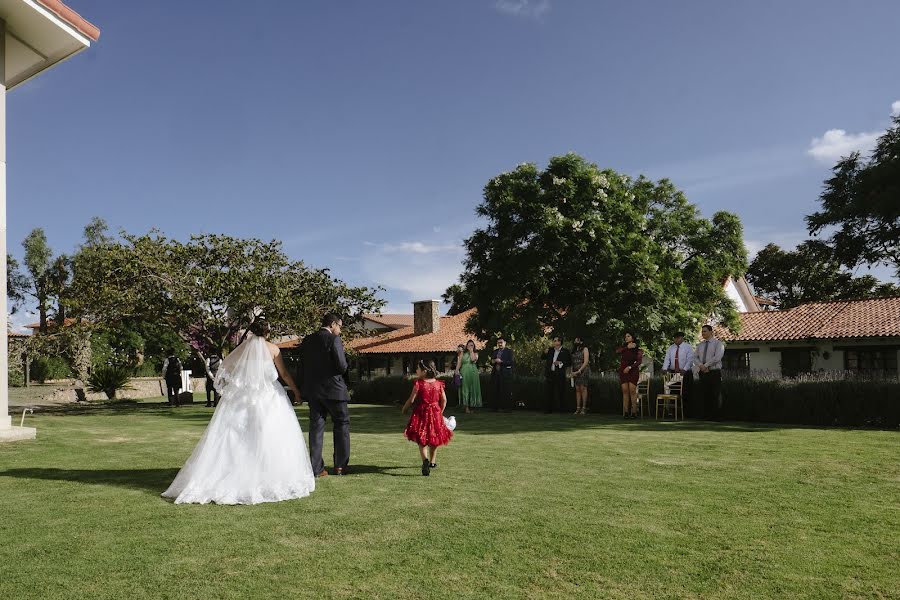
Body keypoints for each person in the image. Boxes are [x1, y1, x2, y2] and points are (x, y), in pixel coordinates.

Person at [161, 319, 315, 505]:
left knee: (239, 437)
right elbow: (284, 374)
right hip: (270, 397)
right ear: (267, 332)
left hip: (243, 398)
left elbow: (226, 365)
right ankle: (266, 476)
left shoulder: (242, 349)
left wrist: (238, 381)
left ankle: (237, 474)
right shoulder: (273, 349)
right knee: (269, 436)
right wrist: (296, 391)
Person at [300, 313, 351, 477]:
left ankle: (317, 469)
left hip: (314, 391)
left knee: (316, 429)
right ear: (333, 324)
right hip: (334, 390)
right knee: (342, 425)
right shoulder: (333, 340)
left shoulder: (307, 340)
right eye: (340, 326)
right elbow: (342, 366)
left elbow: (302, 366)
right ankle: (340, 466)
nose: (340, 330)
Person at [402, 360, 453, 476]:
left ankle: (425, 460)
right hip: (435, 412)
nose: (416, 371)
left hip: (421, 412)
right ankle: (432, 462)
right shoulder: (438, 384)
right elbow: (444, 400)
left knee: (422, 437)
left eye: (418, 369)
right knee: (434, 437)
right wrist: (440, 411)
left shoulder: (419, 384)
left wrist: (404, 409)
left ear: (424, 371)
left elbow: (411, 400)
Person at [695, 324, 725, 419]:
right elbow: (695, 357)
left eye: (705, 331)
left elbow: (717, 357)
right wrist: (701, 366)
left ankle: (716, 416)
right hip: (703, 372)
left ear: (711, 332)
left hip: (714, 372)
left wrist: (706, 365)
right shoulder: (700, 345)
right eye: (702, 331)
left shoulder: (718, 344)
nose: (703, 333)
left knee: (715, 394)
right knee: (703, 394)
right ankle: (704, 415)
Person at [661, 332, 694, 416]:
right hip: (674, 373)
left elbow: (690, 360)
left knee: (686, 393)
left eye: (678, 338)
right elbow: (667, 359)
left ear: (682, 338)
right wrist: (664, 368)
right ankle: (674, 412)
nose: (676, 339)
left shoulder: (688, 347)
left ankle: (687, 413)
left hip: (685, 373)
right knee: (674, 392)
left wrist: (684, 369)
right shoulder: (671, 348)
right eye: (675, 338)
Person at [616, 332, 643, 419]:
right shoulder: (623, 348)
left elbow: (639, 361)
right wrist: (626, 347)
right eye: (625, 336)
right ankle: (626, 412)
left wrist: (630, 367)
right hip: (623, 371)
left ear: (633, 338)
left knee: (632, 390)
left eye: (628, 336)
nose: (626, 338)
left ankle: (634, 412)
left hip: (633, 370)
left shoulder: (638, 349)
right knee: (625, 390)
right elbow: (617, 351)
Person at [541, 336, 571, 413]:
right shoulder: (550, 350)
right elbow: (542, 357)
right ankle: (548, 409)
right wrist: (544, 352)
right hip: (550, 373)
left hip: (560, 374)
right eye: (554, 341)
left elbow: (569, 362)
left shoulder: (565, 351)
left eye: (557, 341)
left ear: (560, 342)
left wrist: (560, 363)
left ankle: (562, 410)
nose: (555, 342)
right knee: (548, 392)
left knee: (561, 391)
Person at [457, 339, 482, 414]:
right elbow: (459, 362)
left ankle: (473, 405)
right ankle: (466, 407)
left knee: (473, 388)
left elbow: (473, 359)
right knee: (465, 388)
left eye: (472, 345)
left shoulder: (476, 353)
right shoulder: (462, 353)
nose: (470, 346)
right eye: (469, 345)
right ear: (466, 346)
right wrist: (456, 371)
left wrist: (471, 351)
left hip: (473, 373)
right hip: (464, 372)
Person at [490, 337, 515, 411]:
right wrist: (493, 361)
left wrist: (501, 361)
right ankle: (495, 407)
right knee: (495, 390)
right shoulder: (495, 351)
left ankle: (506, 408)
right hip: (496, 373)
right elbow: (491, 361)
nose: (500, 344)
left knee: (505, 391)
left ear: (505, 343)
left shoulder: (509, 351)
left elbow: (511, 362)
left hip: (505, 374)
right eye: (498, 343)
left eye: (501, 342)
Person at [571, 336, 591, 415]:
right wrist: (572, 372)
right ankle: (578, 408)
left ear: (581, 341)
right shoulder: (574, 350)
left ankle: (584, 408)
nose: (576, 341)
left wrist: (580, 370)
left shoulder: (585, 349)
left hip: (583, 371)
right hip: (575, 370)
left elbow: (586, 361)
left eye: (577, 340)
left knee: (583, 388)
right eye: (575, 340)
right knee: (577, 389)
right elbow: (572, 362)